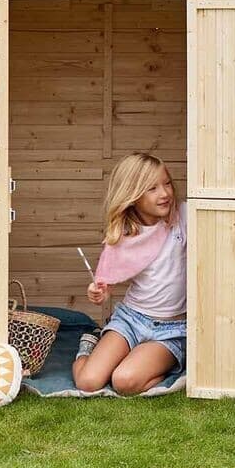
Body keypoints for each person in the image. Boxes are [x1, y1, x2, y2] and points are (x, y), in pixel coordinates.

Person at [72, 152, 187, 395]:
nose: (165, 193)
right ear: (133, 195)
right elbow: (105, 283)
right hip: (131, 320)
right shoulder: (125, 235)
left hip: (172, 329)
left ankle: (146, 360)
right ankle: (88, 347)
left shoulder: (182, 218)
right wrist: (97, 292)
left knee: (124, 382)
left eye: (167, 184)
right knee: (88, 382)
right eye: (152, 189)